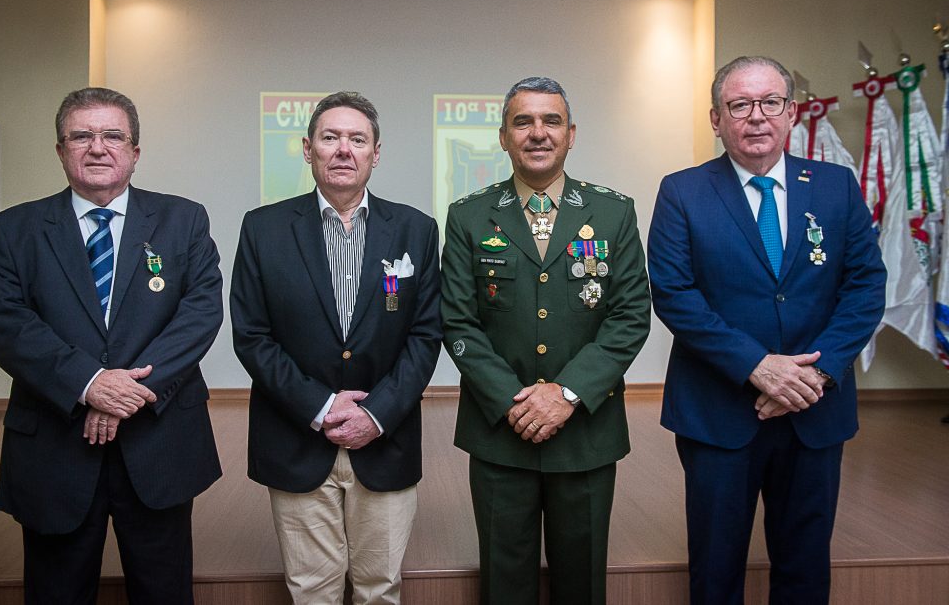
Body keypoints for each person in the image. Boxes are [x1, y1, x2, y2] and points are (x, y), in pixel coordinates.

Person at [647, 56, 886, 604]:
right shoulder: (682, 192)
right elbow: (675, 294)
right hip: (718, 412)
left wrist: (817, 374)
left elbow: (866, 286)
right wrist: (757, 366)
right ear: (716, 119)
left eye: (770, 102)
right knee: (716, 569)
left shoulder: (835, 186)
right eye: (739, 105)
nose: (756, 116)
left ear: (791, 112)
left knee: (805, 568)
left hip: (815, 411)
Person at [0, 87, 223, 604]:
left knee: (164, 594)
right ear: (60, 149)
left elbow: (200, 314)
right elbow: (4, 322)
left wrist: (124, 393)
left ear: (135, 150)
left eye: (113, 136)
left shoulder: (183, 220)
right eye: (81, 136)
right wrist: (88, 384)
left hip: (158, 443)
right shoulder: (14, 230)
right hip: (54, 447)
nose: (97, 147)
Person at [441, 76, 651, 604]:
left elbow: (630, 316)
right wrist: (515, 401)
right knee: (503, 584)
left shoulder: (612, 211)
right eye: (523, 122)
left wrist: (566, 393)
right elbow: (458, 322)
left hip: (586, 433)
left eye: (551, 121)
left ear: (571, 134)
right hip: (500, 431)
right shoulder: (469, 215)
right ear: (503, 137)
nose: (538, 133)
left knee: (582, 583)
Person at [230, 91, 441, 605]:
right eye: (330, 137)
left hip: (384, 440)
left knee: (380, 588)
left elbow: (425, 334)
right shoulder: (263, 228)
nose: (344, 149)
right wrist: (321, 406)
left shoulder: (415, 229)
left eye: (357, 139)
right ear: (308, 149)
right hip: (296, 437)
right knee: (312, 591)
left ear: (376, 153)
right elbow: (252, 336)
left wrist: (376, 414)